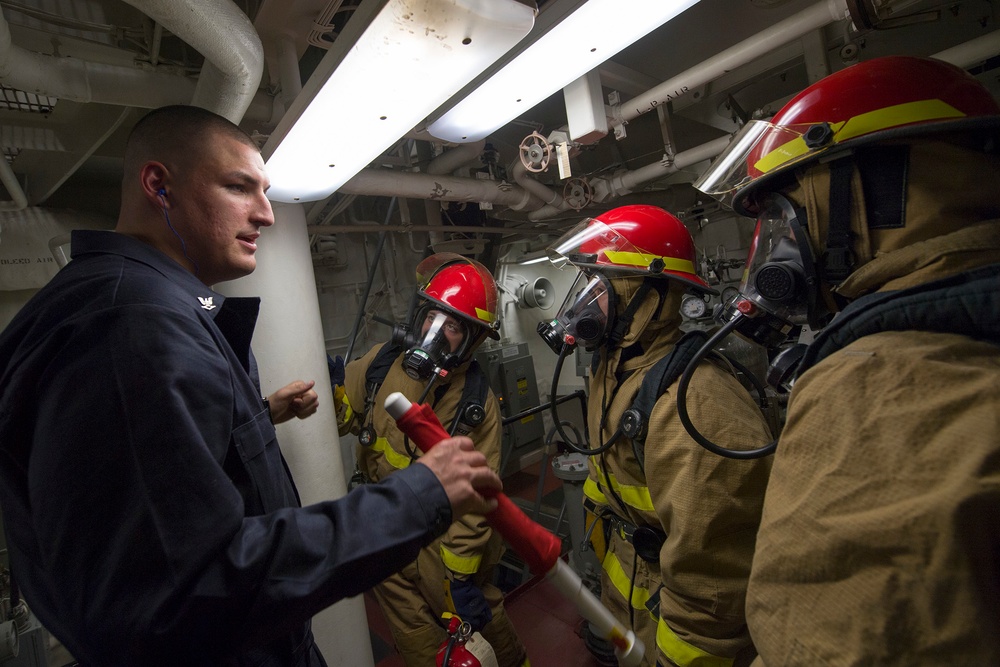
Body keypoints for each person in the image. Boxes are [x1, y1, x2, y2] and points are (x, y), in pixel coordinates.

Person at [0, 105, 502, 667]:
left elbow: (163, 482)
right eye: (240, 187)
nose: (266, 214)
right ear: (158, 186)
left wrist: (255, 417)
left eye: (265, 191)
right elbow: (188, 591)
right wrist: (419, 497)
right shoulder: (128, 330)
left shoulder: (142, 309)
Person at [692, 55, 1000, 664]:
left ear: (876, 191)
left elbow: (816, 642)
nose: (776, 252)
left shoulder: (877, 384)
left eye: (786, 217)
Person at [537, 205, 773, 667]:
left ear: (645, 298)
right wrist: (607, 607)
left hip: (674, 625)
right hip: (630, 593)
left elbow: (714, 582)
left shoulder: (696, 402)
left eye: (597, 288)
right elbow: (608, 489)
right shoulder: (614, 372)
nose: (581, 304)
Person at [331, 253, 529, 667]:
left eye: (452, 326)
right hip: (384, 531)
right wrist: (328, 391)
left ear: (472, 339)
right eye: (432, 317)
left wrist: (459, 577)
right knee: (417, 638)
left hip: (440, 545)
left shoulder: (476, 406)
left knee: (483, 623)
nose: (434, 332)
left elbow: (478, 501)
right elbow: (347, 415)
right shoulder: (382, 362)